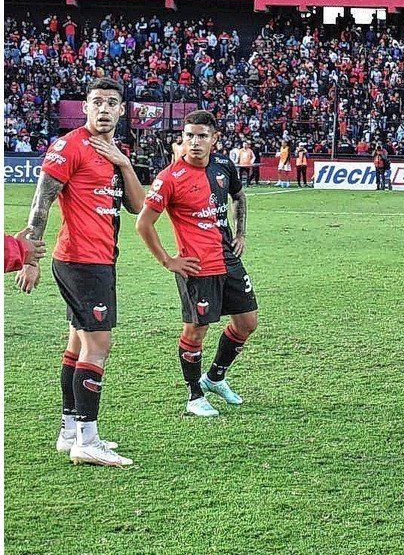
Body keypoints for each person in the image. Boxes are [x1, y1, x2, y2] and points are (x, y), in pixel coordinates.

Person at [17, 77, 146, 467]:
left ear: (122, 110)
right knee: (98, 346)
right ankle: (88, 439)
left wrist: (123, 163)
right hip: (80, 261)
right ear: (85, 108)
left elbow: (138, 207)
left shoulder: (113, 152)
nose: (104, 109)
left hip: (99, 259)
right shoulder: (69, 146)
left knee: (77, 344)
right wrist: (29, 258)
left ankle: (68, 431)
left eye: (112, 103)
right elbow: (42, 202)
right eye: (97, 102)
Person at [136, 110, 258, 418]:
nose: (195, 141)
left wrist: (240, 232)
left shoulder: (224, 166)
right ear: (182, 139)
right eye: (189, 135)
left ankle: (215, 378)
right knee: (196, 331)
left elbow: (239, 197)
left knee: (247, 323)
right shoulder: (169, 178)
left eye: (202, 136)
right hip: (196, 266)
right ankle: (194, 396)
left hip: (228, 258)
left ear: (214, 140)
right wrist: (168, 260)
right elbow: (143, 224)